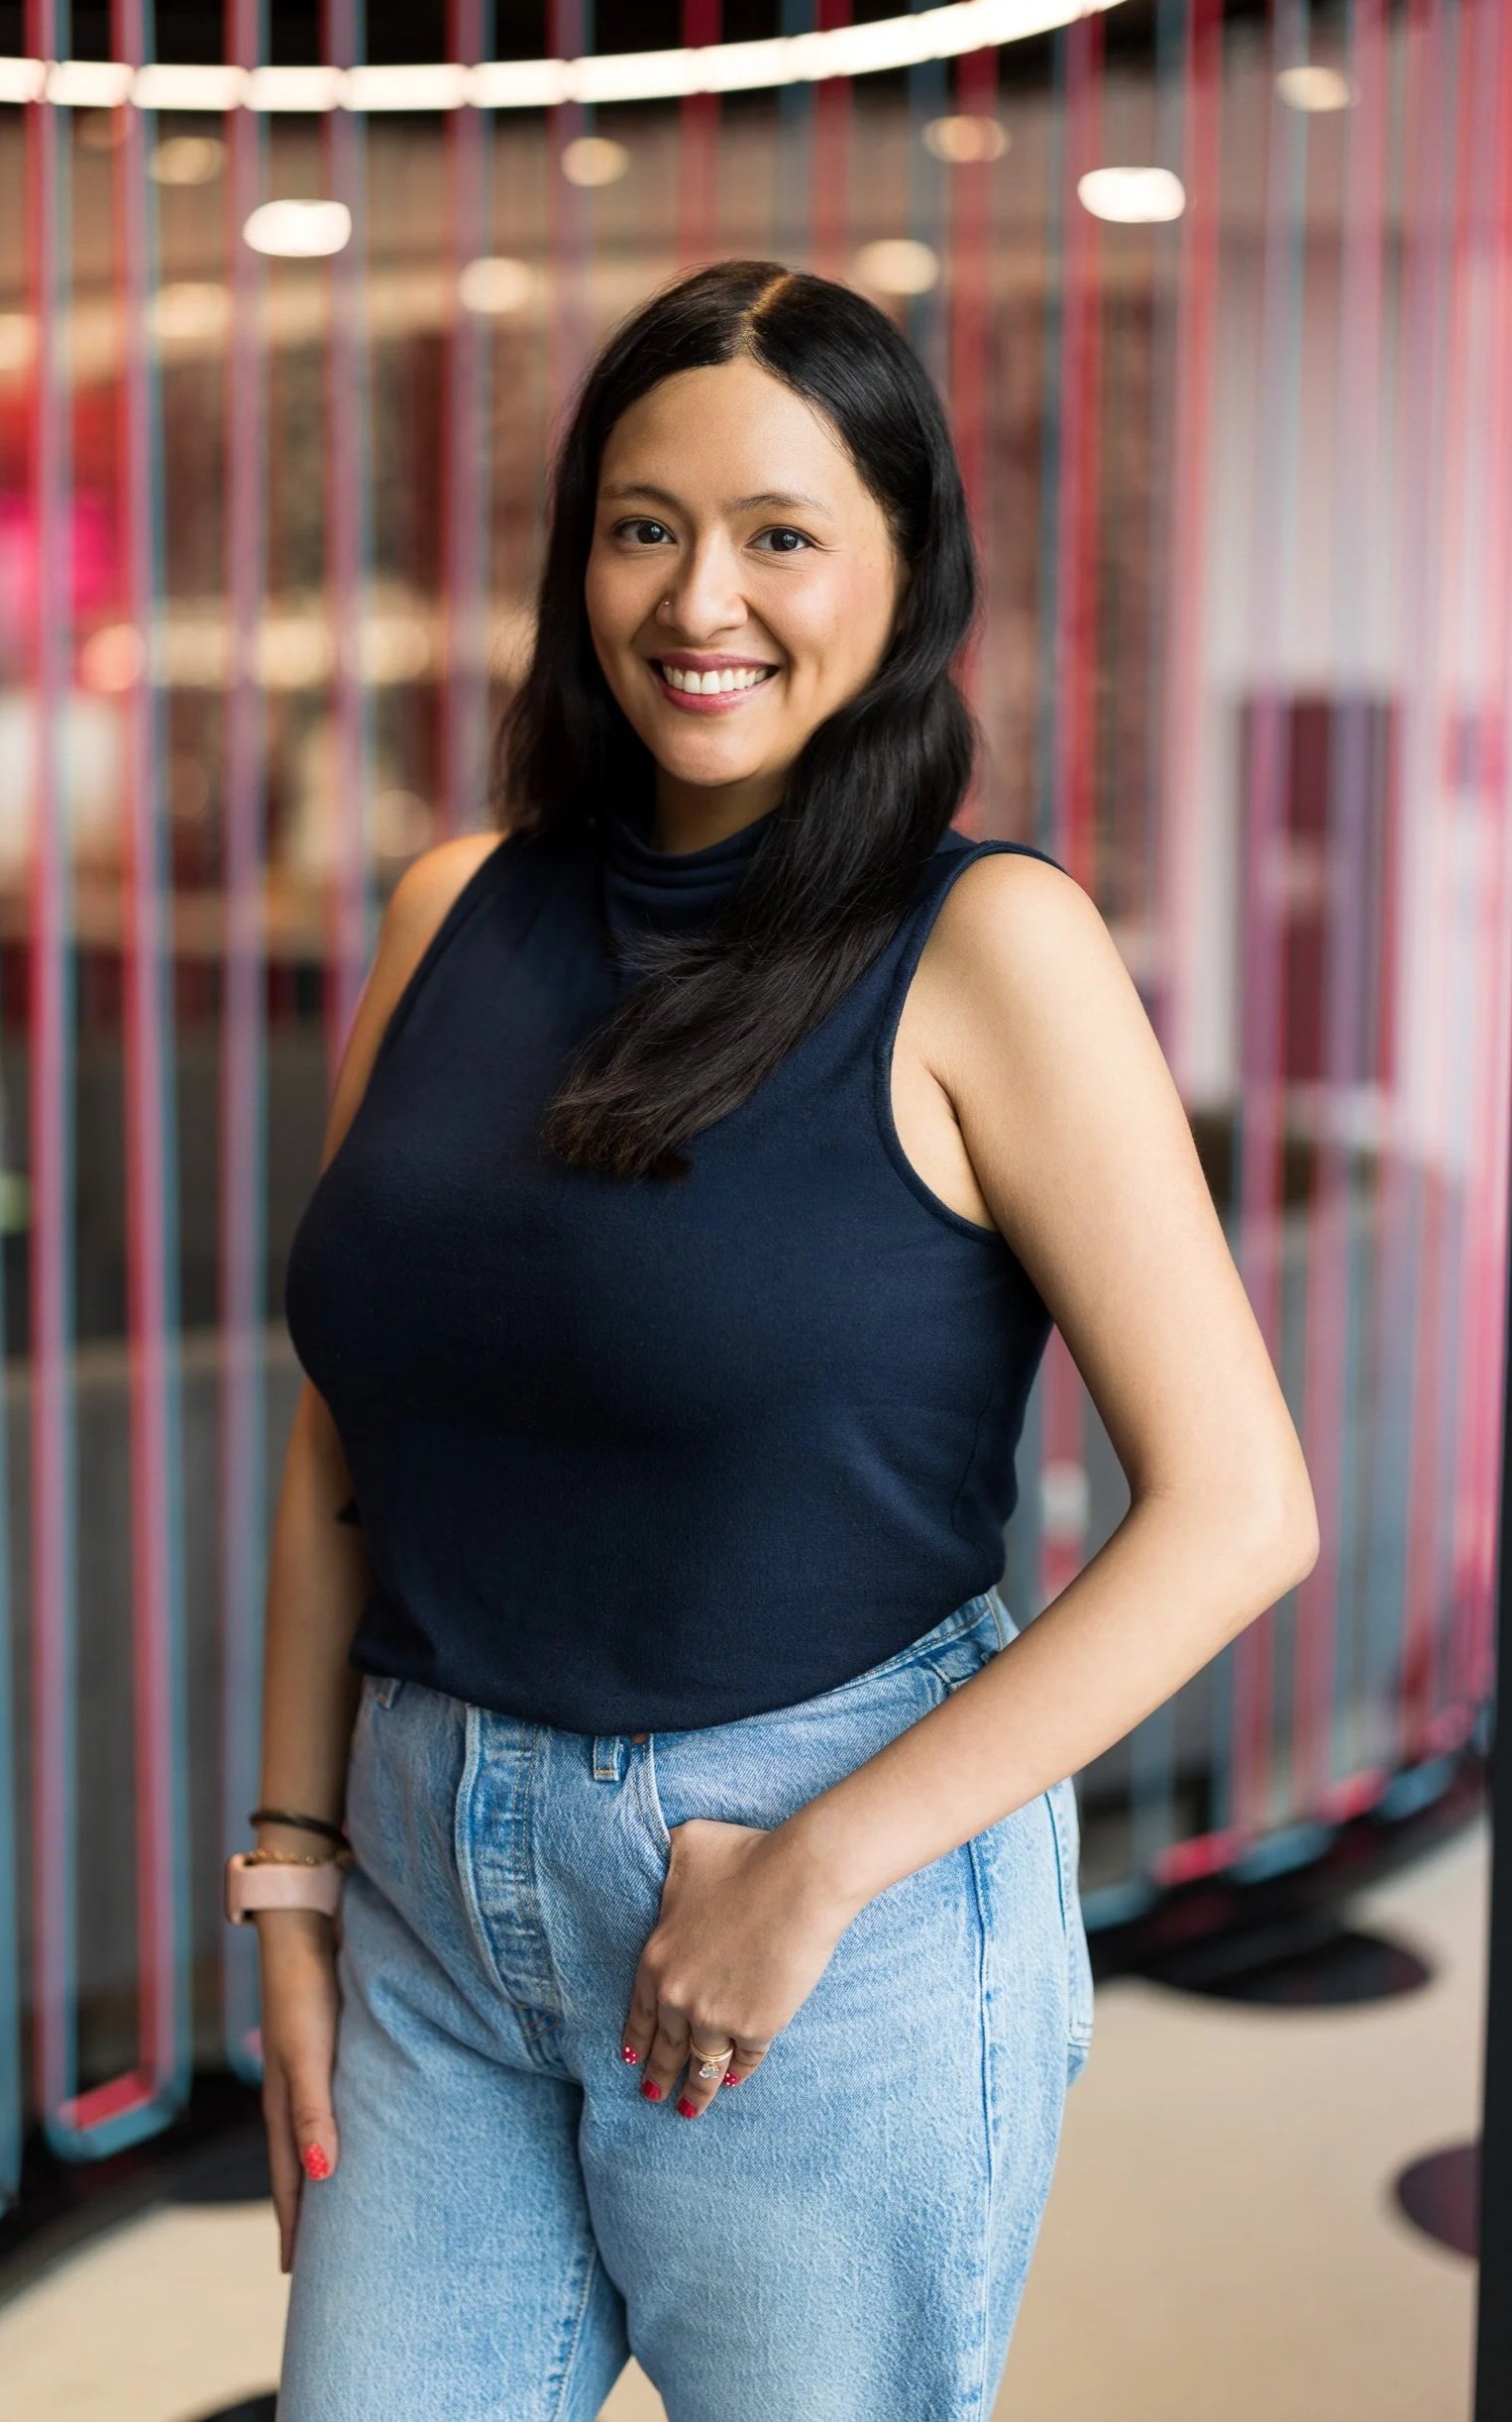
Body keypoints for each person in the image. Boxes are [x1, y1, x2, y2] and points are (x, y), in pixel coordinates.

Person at [240, 259, 1318, 2421]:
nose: (695, 597)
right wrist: (287, 1862)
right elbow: (343, 1411)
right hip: (429, 1864)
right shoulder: (453, 907)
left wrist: (818, 1863)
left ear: (904, 574)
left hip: (827, 1886)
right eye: (642, 524)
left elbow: (1238, 1511)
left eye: (779, 532)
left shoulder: (989, 947)